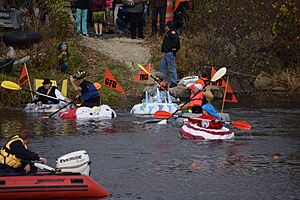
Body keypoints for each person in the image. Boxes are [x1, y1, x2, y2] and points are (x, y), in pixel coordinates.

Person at [159, 21, 180, 88]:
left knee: (171, 67)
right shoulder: (169, 33)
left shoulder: (172, 32)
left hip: (170, 52)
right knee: (162, 67)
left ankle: (174, 82)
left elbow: (176, 41)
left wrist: (174, 48)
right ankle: (164, 81)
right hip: (166, 52)